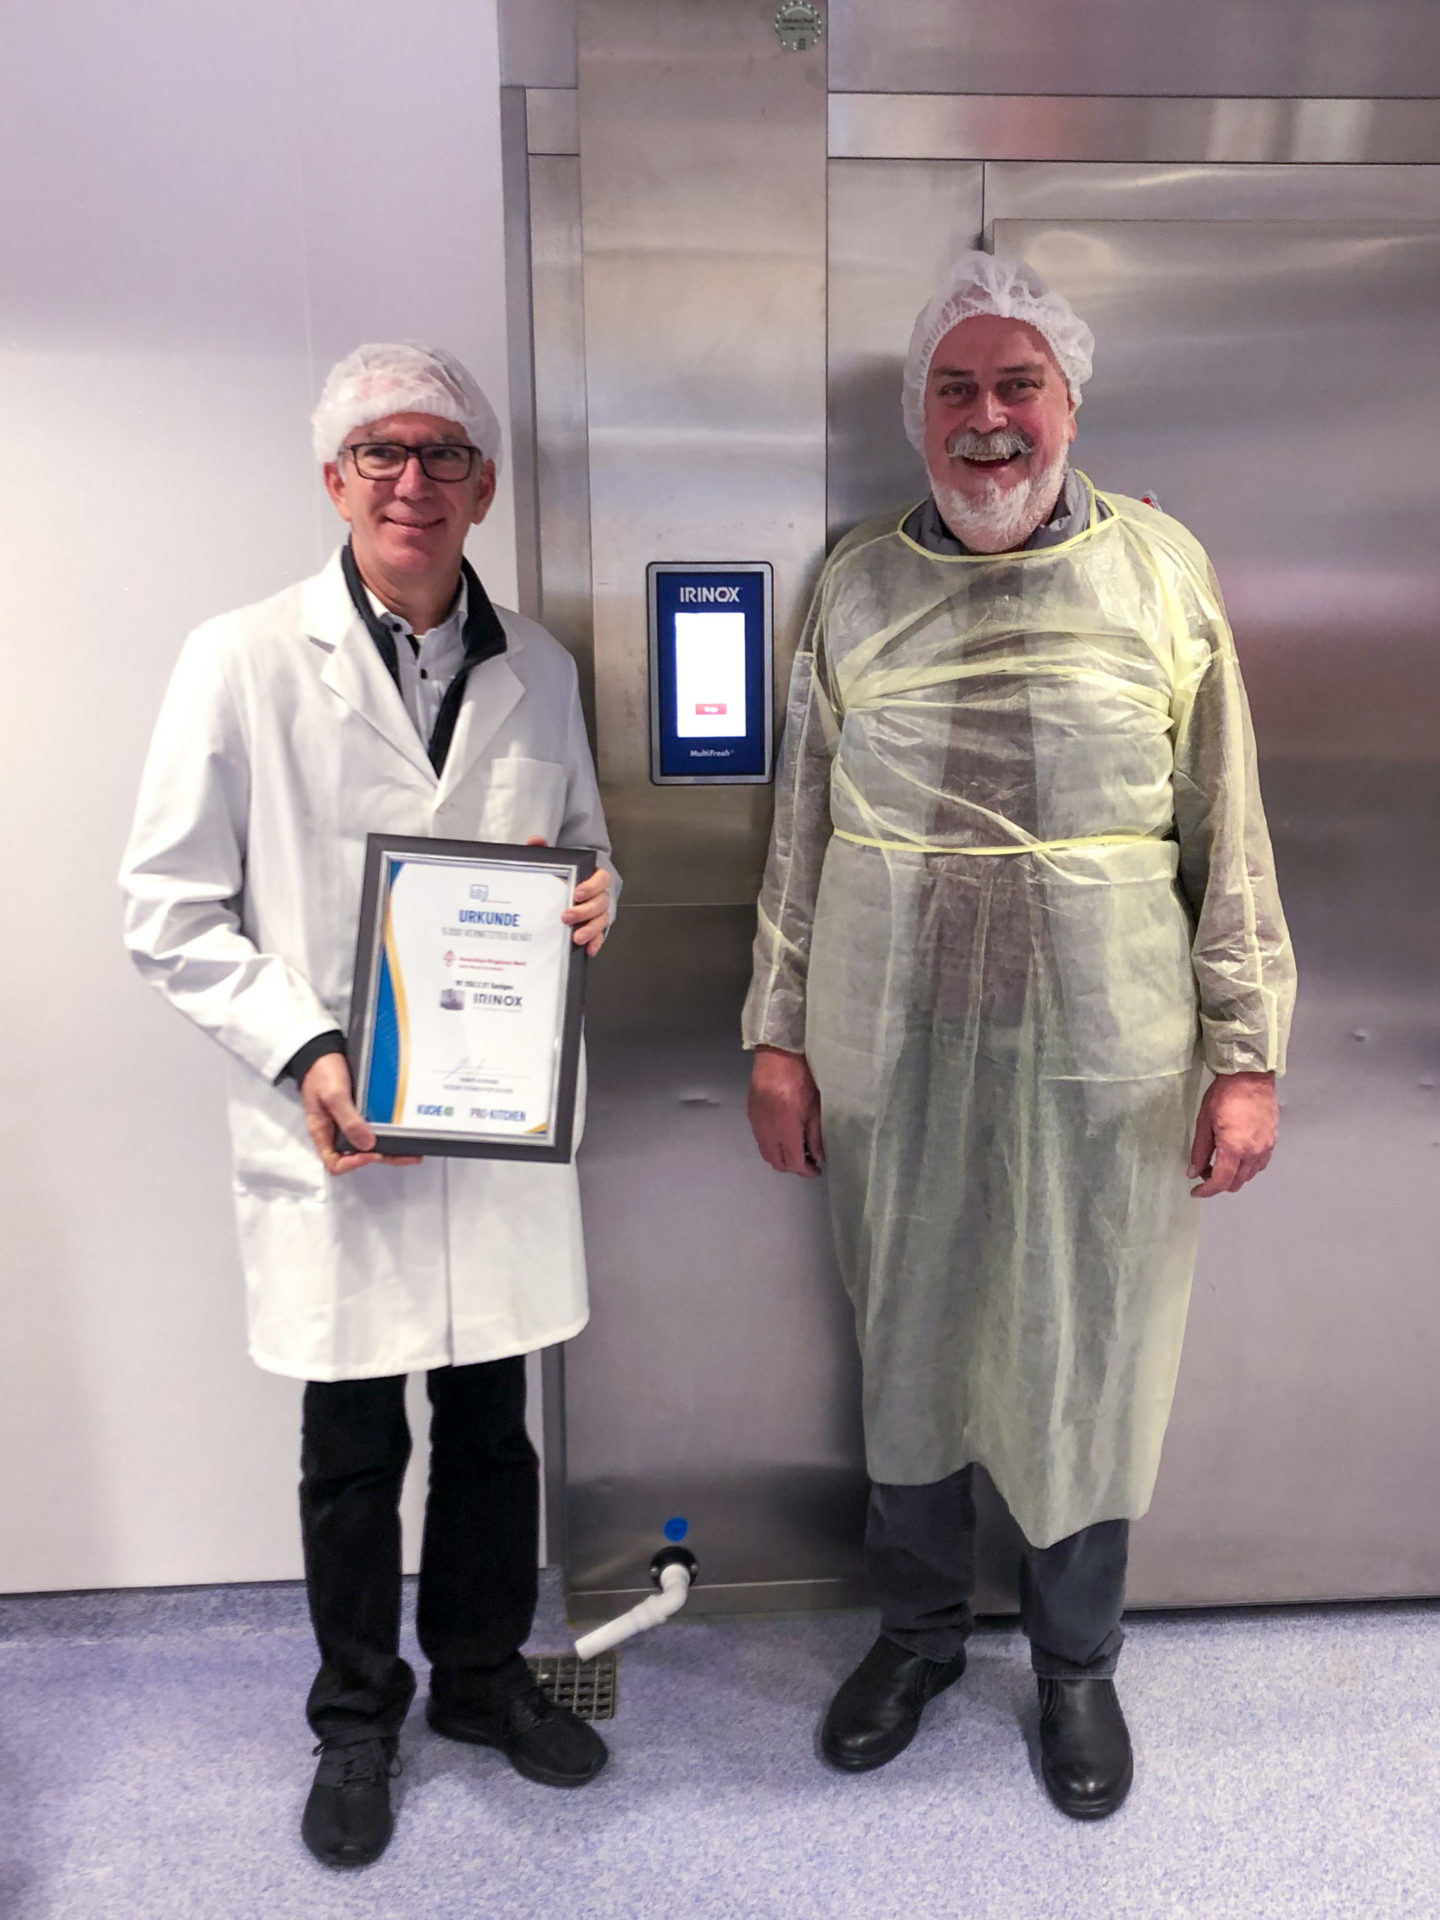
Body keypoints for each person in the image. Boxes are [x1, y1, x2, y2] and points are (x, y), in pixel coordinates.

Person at [744, 254, 1295, 1819]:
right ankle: (917, 1637)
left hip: (1107, 1045)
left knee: (1088, 1345)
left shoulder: (1161, 575)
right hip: (892, 1035)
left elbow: (1229, 826)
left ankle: (1074, 1661)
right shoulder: (857, 585)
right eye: (956, 387)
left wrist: (1247, 1052)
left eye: (1018, 385)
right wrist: (777, 1033)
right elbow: (799, 828)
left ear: (1069, 401)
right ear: (919, 411)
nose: (988, 419)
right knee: (908, 1337)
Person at [120, 343, 617, 1868]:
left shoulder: (541, 669)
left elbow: (581, 848)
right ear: (334, 481)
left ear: (485, 486)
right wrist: (307, 1051)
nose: (414, 482)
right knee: (351, 1444)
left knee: (493, 1430)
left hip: (495, 1128)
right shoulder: (242, 660)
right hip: (339, 1129)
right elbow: (170, 910)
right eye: (382, 455)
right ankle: (354, 1718)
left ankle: (478, 1677)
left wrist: (595, 897)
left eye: (443, 454)